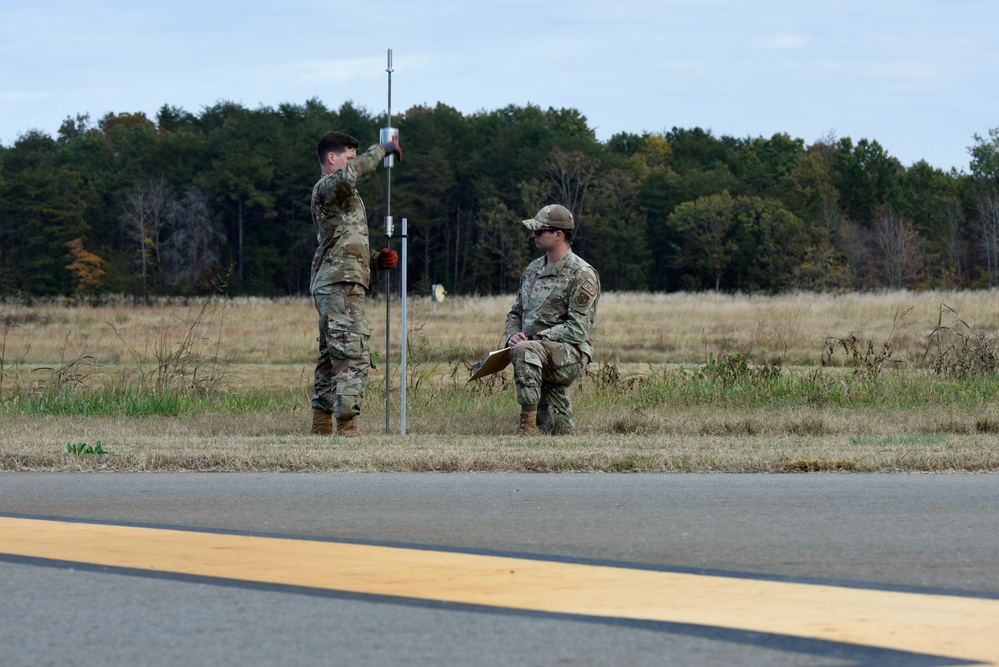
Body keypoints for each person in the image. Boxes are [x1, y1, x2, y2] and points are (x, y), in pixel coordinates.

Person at [309, 131, 402, 437]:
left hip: (340, 278)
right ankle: (346, 429)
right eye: (349, 157)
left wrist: (376, 259)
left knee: (332, 354)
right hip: (339, 283)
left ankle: (321, 427)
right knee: (351, 354)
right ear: (332, 158)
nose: (353, 163)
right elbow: (349, 177)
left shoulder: (340, 195)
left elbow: (342, 242)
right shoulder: (329, 186)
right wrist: (383, 150)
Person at [504, 204, 600, 436]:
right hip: (537, 350)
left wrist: (534, 338)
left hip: (569, 353)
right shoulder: (532, 269)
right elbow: (515, 313)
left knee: (524, 350)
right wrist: (512, 334)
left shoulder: (582, 274)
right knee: (558, 429)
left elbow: (578, 329)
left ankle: (526, 429)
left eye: (538, 231)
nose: (533, 235)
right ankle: (551, 419)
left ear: (558, 235)